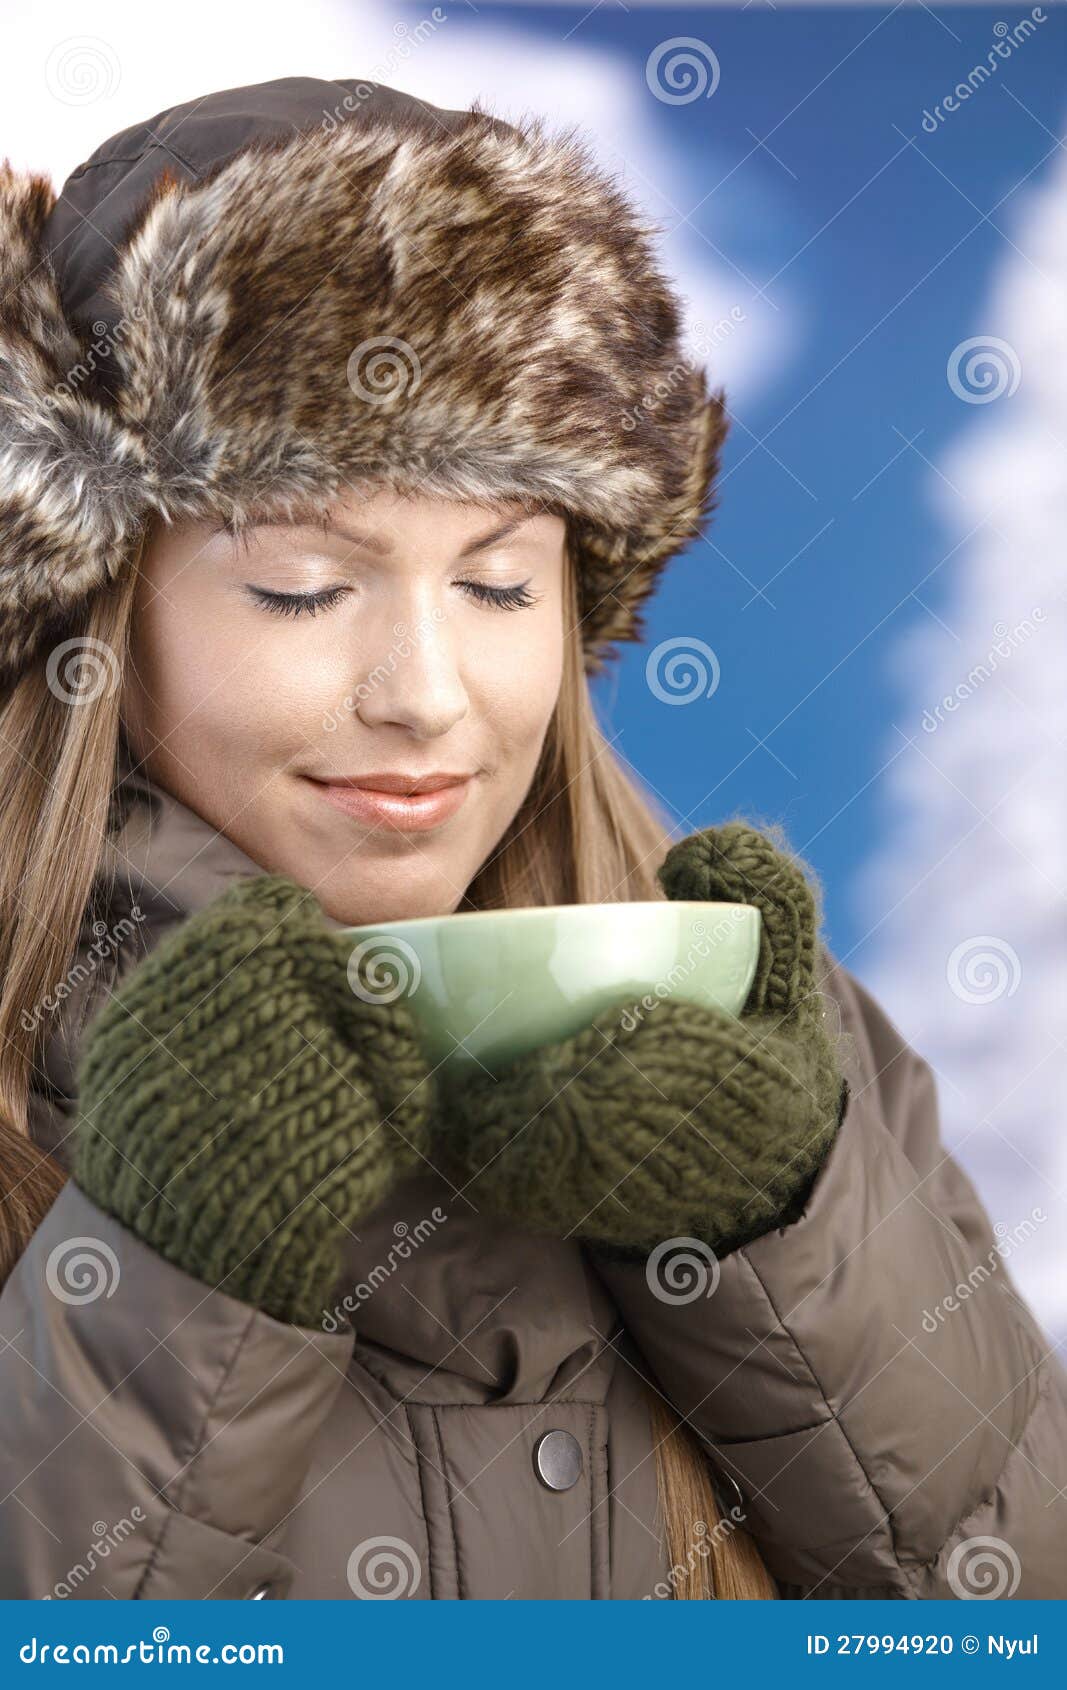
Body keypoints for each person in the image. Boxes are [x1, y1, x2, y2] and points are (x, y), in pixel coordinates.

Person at [0, 76, 1063, 1603]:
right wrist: (166, 1275)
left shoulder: (789, 1045)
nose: (427, 698)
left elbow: (1013, 1612)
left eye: (499, 585)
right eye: (303, 584)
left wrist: (779, 1235)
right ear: (93, 607)